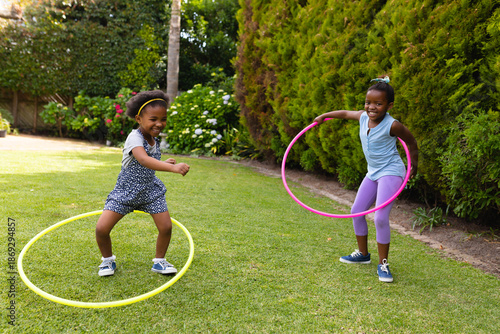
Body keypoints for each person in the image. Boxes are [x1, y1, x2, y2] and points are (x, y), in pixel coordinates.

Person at [313, 77, 418, 282]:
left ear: (389, 106)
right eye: (368, 102)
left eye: (378, 104)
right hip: (373, 172)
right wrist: (323, 116)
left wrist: (413, 165)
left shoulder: (393, 125)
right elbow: (344, 113)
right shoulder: (363, 117)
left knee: (379, 217)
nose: (371, 107)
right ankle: (362, 255)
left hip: (391, 171)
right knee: (356, 211)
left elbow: (411, 142)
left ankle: (383, 264)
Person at [95, 90, 190, 277]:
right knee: (101, 228)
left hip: (149, 191)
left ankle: (159, 261)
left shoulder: (153, 138)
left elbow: (151, 161)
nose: (159, 124)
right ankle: (107, 261)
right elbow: (144, 160)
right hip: (126, 191)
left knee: (166, 227)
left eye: (163, 119)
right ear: (139, 119)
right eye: (153, 119)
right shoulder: (135, 138)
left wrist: (165, 163)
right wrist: (172, 168)